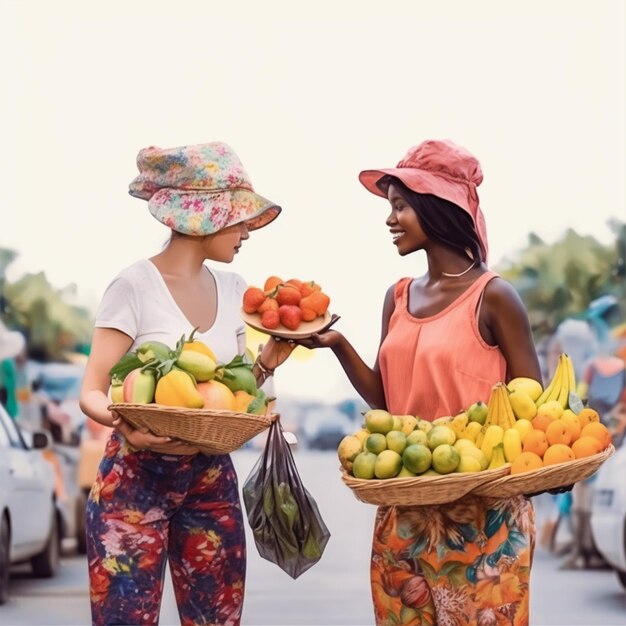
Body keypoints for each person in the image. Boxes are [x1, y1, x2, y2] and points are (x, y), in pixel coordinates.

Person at [299, 140, 543, 626]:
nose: (391, 220)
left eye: (401, 206)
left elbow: (534, 410)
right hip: (403, 507)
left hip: (482, 515)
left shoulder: (493, 297)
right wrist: (337, 343)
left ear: (437, 209)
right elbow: (388, 400)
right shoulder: (398, 296)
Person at [79, 142, 294, 626]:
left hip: (210, 479)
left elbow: (237, 397)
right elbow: (91, 388)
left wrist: (266, 362)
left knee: (217, 619)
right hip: (133, 482)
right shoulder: (134, 285)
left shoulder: (237, 289)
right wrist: (126, 423)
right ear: (206, 216)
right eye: (237, 219)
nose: (245, 232)